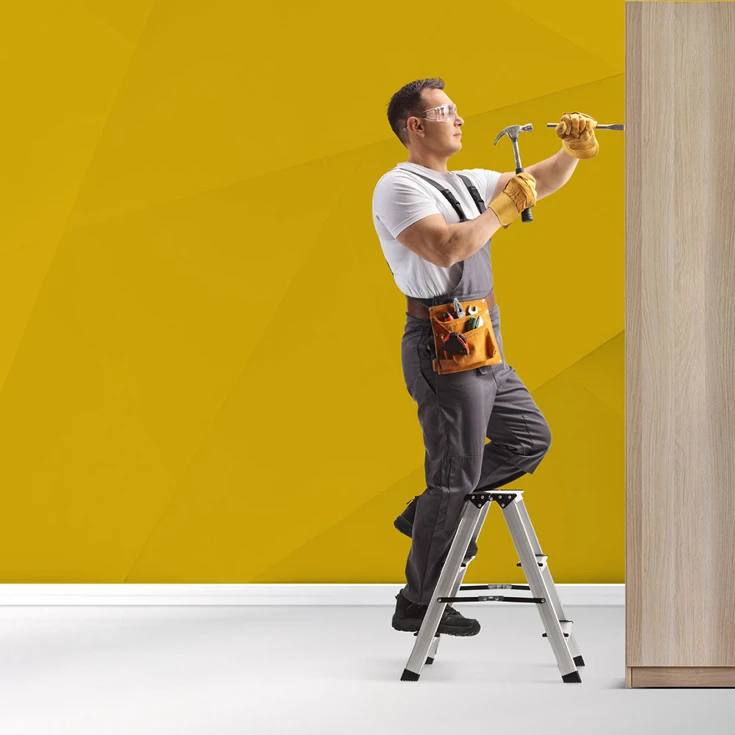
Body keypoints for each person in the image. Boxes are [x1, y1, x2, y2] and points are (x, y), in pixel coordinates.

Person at [371, 77, 599, 637]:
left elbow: (535, 181)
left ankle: (426, 512)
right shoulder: (398, 188)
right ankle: (419, 602)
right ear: (414, 127)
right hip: (441, 335)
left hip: (482, 331)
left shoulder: (468, 182)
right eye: (445, 111)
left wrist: (569, 153)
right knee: (455, 477)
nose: (459, 118)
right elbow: (447, 247)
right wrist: (503, 209)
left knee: (527, 439)